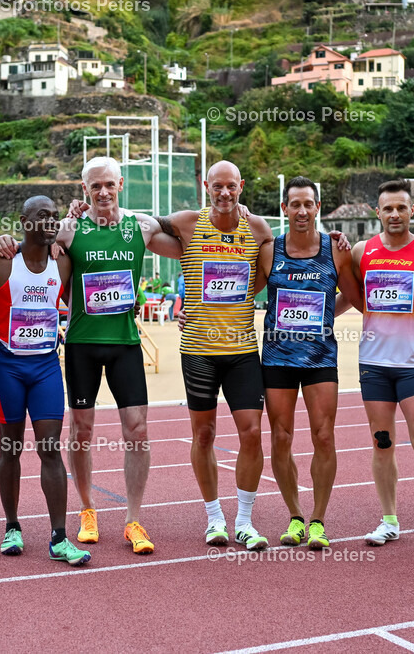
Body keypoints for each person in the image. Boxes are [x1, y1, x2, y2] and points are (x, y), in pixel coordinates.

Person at [0, 156, 182, 554]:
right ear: (84, 190)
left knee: (138, 431)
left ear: (120, 184)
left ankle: (133, 518)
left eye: (109, 185)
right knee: (81, 431)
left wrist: (236, 216)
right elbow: (31, 244)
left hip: (125, 345)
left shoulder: (142, 226)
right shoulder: (68, 229)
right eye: (94, 186)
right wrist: (8, 241)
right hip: (81, 343)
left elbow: (190, 244)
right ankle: (86, 509)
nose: (102, 192)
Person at [154, 161, 277, 550]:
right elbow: (142, 224)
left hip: (241, 350)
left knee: (253, 433)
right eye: (217, 187)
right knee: (204, 434)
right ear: (206, 186)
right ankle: (214, 519)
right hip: (198, 351)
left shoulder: (256, 229)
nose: (224, 193)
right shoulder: (188, 223)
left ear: (241, 187)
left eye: (231, 187)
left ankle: (244, 520)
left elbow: (267, 273)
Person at [350, 180, 414, 556]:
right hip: (373, 365)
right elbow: (348, 298)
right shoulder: (362, 252)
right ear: (377, 213)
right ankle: (389, 520)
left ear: (412, 211)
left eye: (401, 208)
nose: (395, 214)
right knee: (382, 444)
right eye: (387, 209)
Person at [256, 176, 362, 550]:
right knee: (281, 438)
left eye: (308, 204)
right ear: (284, 209)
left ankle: (318, 520)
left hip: (320, 357)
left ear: (317, 207)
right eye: (294, 204)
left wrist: (326, 316)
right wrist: (194, 309)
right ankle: (295, 516)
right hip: (277, 357)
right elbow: (241, 290)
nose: (302, 211)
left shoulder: (335, 251)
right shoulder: (270, 250)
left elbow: (356, 298)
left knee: (323, 436)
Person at [0, 196, 90, 566]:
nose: (49, 222)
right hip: (7, 368)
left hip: (46, 366)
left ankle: (59, 538)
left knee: (50, 449)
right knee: (10, 448)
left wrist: (75, 215)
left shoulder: (62, 263)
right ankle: (12, 526)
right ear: (23, 220)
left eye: (53, 216)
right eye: (41, 216)